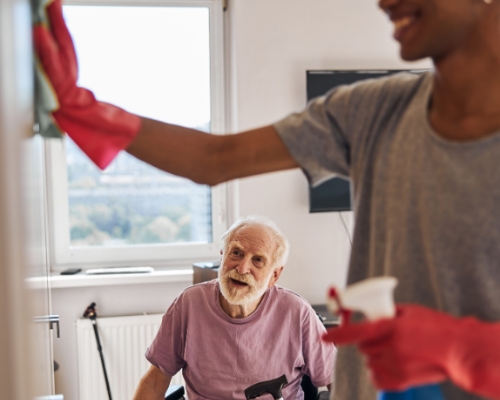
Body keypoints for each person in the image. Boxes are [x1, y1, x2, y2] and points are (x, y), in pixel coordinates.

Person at [33, 0, 500, 399]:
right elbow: (215, 157)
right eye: (236, 253)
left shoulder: (293, 312)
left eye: (257, 260)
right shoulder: (376, 110)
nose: (383, 3)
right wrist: (83, 107)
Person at [132, 216, 335, 400]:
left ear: (274, 275)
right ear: (222, 257)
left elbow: (339, 382)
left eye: (258, 260)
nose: (242, 268)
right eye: (236, 253)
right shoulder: (189, 305)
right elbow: (155, 381)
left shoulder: (297, 313)